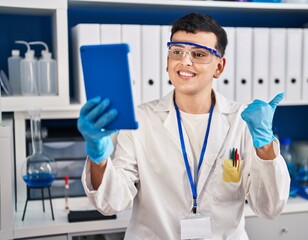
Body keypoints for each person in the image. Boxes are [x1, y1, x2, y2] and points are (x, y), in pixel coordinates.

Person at [78, 13, 290, 239]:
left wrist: (266, 146)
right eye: (177, 51)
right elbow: (111, 203)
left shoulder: (242, 121)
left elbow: (269, 208)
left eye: (199, 54)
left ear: (219, 67)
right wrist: (98, 157)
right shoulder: (140, 121)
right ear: (167, 61)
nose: (185, 61)